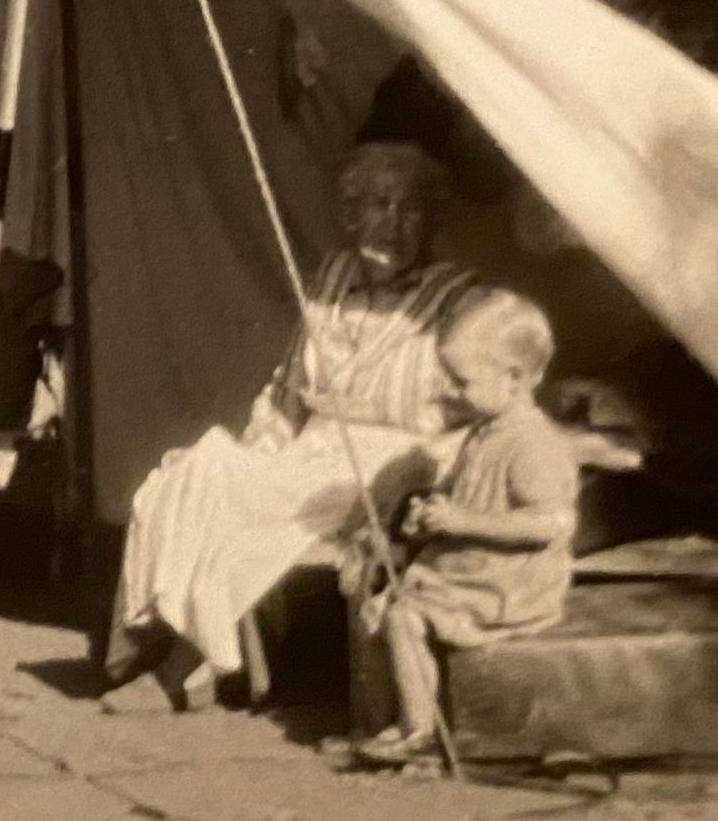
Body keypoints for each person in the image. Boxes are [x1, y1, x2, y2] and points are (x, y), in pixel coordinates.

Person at [101, 140, 476, 713]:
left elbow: (471, 407)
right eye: (378, 205)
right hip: (312, 446)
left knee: (263, 523)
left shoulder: (455, 299)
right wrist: (267, 440)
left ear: (430, 222)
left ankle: (186, 669)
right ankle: (170, 641)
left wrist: (415, 460)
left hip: (385, 465)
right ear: (352, 214)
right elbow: (288, 385)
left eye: (410, 210)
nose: (393, 224)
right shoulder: (334, 276)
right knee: (200, 470)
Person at [352, 287, 580, 766]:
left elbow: (552, 523)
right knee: (376, 609)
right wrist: (431, 514)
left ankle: (419, 731)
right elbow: (467, 493)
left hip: (512, 581)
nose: (452, 391)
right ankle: (379, 724)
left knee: (401, 618)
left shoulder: (533, 444)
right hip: (474, 566)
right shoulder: (484, 430)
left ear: (514, 378)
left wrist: (463, 520)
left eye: (462, 381)